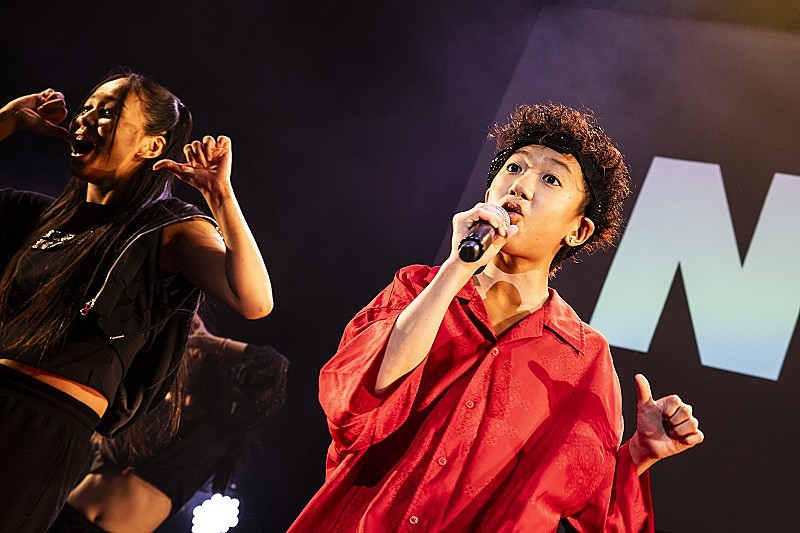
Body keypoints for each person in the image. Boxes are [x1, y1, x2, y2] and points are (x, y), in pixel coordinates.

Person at [288, 104, 703, 532]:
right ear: (489, 196)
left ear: (577, 230)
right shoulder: (416, 289)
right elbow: (354, 410)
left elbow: (586, 500)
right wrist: (456, 269)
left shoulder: (584, 359)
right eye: (514, 168)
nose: (521, 186)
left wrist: (638, 455)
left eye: (551, 178)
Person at [0, 71, 273, 531]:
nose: (85, 118)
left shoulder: (170, 227)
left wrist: (219, 195)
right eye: (87, 107)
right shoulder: (37, 216)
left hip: (44, 426)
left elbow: (254, 301)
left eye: (107, 112)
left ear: (152, 145)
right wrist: (7, 120)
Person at [49, 316, 289, 532]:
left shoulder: (218, 424)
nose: (187, 340)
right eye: (182, 333)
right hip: (62, 516)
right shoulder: (140, 403)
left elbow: (274, 366)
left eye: (193, 331)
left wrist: (206, 341)